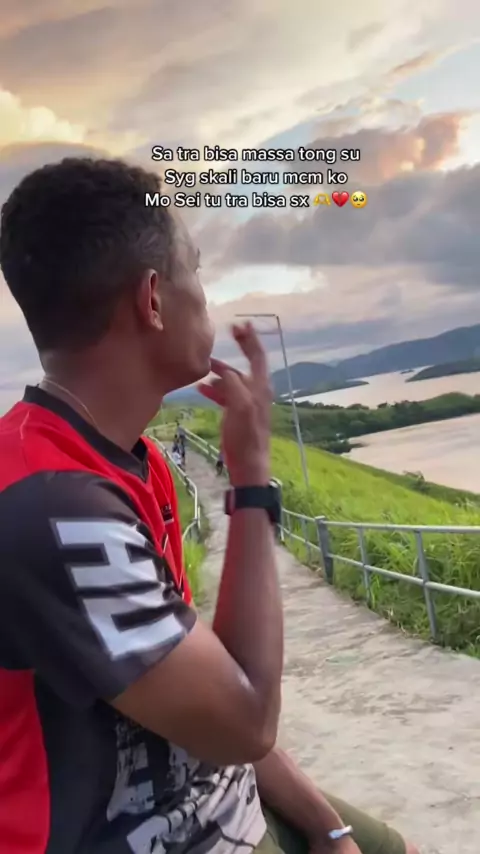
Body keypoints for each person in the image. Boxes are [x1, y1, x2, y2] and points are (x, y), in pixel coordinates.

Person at [0, 157, 419, 854]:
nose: (207, 299)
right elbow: (246, 719)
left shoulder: (130, 461)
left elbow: (210, 679)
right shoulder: (54, 508)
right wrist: (250, 482)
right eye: (196, 270)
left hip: (219, 795)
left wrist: (329, 826)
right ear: (153, 299)